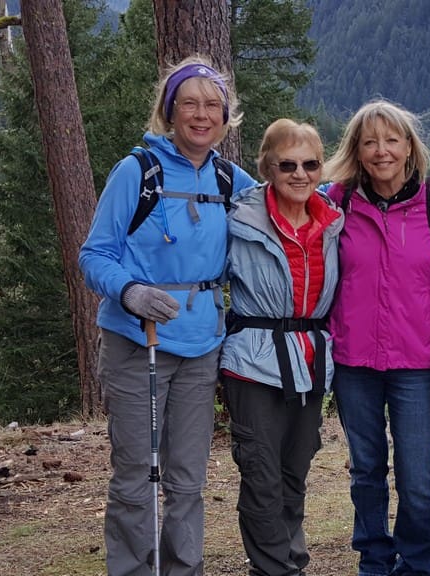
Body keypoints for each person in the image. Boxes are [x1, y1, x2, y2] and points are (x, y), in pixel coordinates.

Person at [79, 56, 257, 576]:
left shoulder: (229, 178)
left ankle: (184, 568)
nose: (201, 115)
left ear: (225, 115)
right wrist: (129, 291)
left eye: (212, 106)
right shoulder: (136, 171)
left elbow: (289, 201)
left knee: (187, 476)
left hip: (203, 344)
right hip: (140, 340)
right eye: (189, 104)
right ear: (169, 111)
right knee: (137, 473)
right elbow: (94, 254)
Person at [322, 99, 430, 576]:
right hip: (354, 361)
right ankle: (375, 560)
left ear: (410, 147)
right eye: (370, 142)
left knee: (417, 478)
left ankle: (416, 565)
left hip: (418, 363)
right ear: (356, 150)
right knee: (366, 470)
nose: (382, 151)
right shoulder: (339, 200)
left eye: (392, 140)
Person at [218, 119, 343, 576]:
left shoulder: (333, 220)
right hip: (252, 361)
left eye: (310, 164)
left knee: (294, 471)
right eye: (287, 164)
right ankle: (275, 568)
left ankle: (288, 561)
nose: (299, 174)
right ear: (267, 167)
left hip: (309, 360)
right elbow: (201, 275)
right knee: (261, 473)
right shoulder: (239, 218)